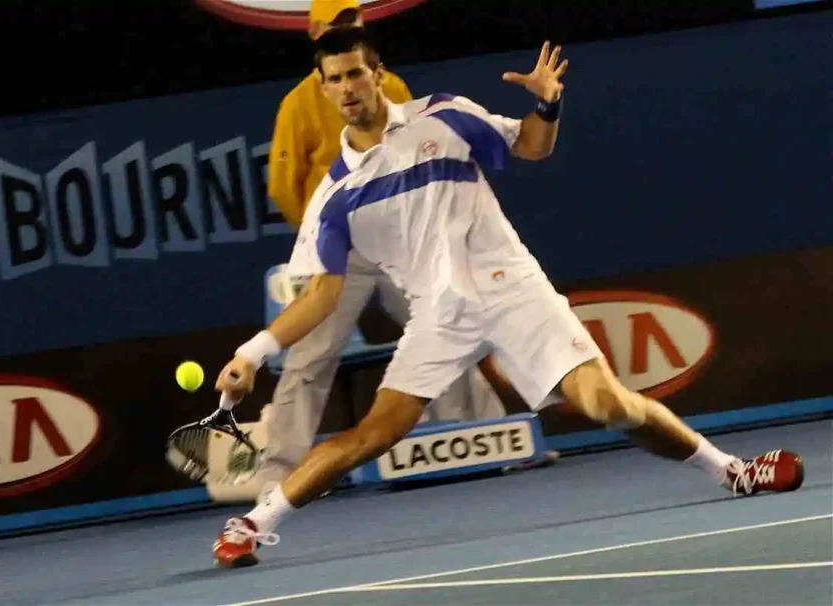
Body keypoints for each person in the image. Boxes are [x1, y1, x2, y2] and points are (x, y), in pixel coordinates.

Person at [211, 27, 806, 568]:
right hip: (439, 314)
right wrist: (253, 353)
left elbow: (531, 145)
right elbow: (321, 297)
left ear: (378, 74)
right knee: (372, 434)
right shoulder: (336, 196)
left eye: (355, 73)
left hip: (512, 289)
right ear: (322, 88)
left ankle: (732, 470)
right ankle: (253, 523)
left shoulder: (445, 116)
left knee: (608, 405)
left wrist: (547, 102)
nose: (346, 87)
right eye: (334, 78)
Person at [259, 0, 542, 497]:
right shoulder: (299, 104)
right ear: (315, 33)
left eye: (355, 20)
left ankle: (488, 438)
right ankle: (278, 474)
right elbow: (284, 186)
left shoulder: (391, 87)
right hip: (342, 251)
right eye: (339, 23)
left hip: (399, 242)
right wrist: (324, 237)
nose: (350, 27)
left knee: (447, 323)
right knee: (309, 359)